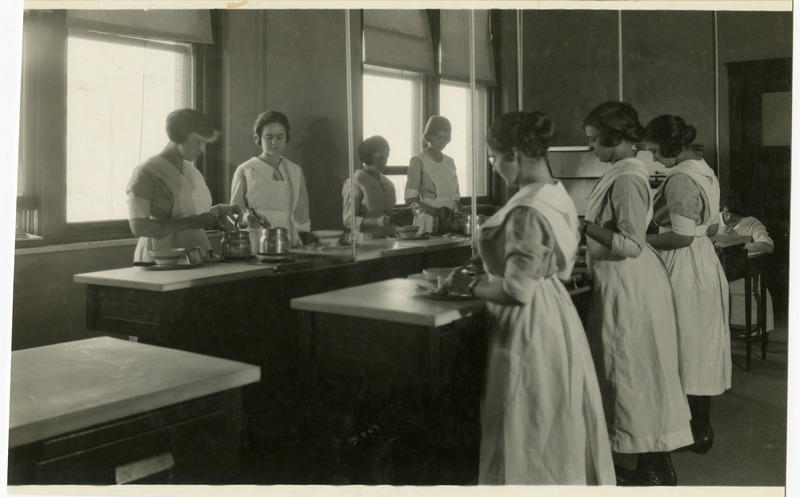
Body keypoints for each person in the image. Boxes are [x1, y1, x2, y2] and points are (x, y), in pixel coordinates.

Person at [440, 111, 615, 485]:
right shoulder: (553, 193)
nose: (494, 166)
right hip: (555, 314)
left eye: (493, 158)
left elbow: (517, 290)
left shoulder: (526, 209)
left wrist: (465, 288)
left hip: (528, 324)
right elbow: (535, 253)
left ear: (515, 155)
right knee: (553, 417)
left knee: (523, 420)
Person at [581, 102, 692, 486]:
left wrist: (584, 227)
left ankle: (655, 471)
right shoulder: (621, 171)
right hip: (625, 284)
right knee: (639, 374)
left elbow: (630, 244)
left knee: (638, 374)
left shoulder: (627, 177)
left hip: (630, 285)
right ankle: (653, 466)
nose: (591, 148)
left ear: (614, 138)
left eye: (595, 140)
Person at [643, 115, 730, 457]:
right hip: (704, 262)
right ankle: (701, 430)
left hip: (683, 267)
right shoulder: (703, 170)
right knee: (698, 346)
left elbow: (679, 237)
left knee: (680, 345)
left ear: (670, 147)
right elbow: (707, 229)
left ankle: (686, 431)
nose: (653, 159)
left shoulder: (680, 178)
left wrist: (641, 240)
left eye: (654, 151)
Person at [127, 108, 242, 262]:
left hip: (194, 252)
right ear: (180, 135)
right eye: (199, 142)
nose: (202, 150)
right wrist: (192, 222)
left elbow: (189, 214)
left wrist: (219, 210)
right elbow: (139, 227)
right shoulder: (147, 173)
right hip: (162, 257)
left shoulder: (191, 171)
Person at [230, 111, 311, 249]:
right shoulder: (245, 170)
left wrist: (303, 241)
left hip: (288, 239)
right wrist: (245, 218)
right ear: (259, 138)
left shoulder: (295, 170)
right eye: (268, 137)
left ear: (287, 137)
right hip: (257, 239)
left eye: (280, 137)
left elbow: (302, 214)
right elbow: (234, 211)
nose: (274, 142)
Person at [720, 191, 775, 335]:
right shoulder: (715, 219)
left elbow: (768, 246)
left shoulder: (752, 223)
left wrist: (739, 244)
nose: (729, 218)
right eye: (726, 213)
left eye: (735, 216)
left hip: (740, 274)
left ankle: (749, 329)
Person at [404, 116, 460, 234]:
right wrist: (431, 215)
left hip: (449, 220)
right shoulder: (418, 161)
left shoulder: (450, 162)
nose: (442, 142)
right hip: (428, 220)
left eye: (446, 138)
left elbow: (456, 197)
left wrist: (457, 214)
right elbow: (410, 201)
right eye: (438, 137)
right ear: (429, 136)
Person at [342, 135, 397, 240]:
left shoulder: (387, 183)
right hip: (363, 241)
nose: (384, 161)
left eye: (387, 157)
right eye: (380, 157)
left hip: (385, 240)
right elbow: (348, 220)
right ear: (368, 156)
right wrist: (376, 221)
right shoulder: (356, 181)